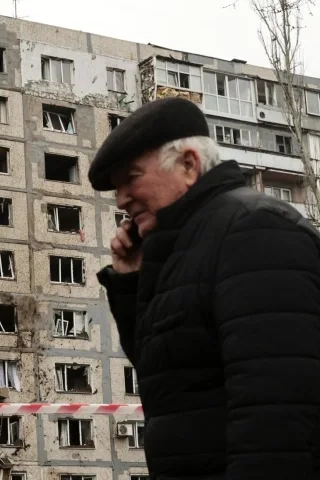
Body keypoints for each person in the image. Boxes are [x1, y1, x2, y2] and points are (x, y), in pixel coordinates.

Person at [89, 97, 320, 479]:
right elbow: (171, 378)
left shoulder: (255, 230)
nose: (121, 200)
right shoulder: (184, 246)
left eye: (131, 178)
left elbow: (279, 413)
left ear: (189, 165)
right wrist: (130, 282)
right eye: (116, 188)